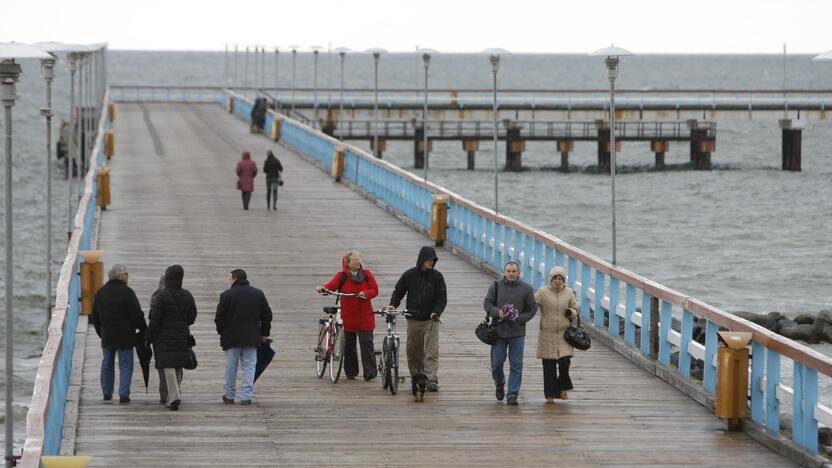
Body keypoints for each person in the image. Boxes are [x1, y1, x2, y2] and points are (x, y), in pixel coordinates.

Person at [387, 246, 447, 393]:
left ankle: (431, 380)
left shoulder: (437, 277)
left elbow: (442, 298)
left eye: (433, 260)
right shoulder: (409, 275)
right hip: (413, 319)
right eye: (429, 260)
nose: (431, 262)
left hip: (431, 320)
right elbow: (399, 291)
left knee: (431, 351)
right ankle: (416, 376)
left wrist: (436, 312)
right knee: (413, 351)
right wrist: (393, 304)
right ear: (421, 260)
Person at [316, 251, 378, 380]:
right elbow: (331, 286)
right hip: (349, 315)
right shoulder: (342, 276)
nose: (358, 262)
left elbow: (375, 290)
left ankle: (370, 372)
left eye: (358, 259)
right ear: (347, 263)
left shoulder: (366, 274)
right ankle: (351, 372)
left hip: (365, 315)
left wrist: (365, 293)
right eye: (354, 260)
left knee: (367, 342)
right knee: (349, 345)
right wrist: (323, 288)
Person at [215, 269, 273, 405]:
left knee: (231, 366)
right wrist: (264, 333)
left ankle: (229, 395)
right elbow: (267, 315)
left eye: (230, 278)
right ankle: (246, 396)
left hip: (231, 338)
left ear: (234, 279)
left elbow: (219, 318)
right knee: (249, 366)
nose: (229, 280)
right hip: (252, 337)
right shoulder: (258, 294)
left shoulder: (226, 295)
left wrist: (222, 332)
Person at [483, 261, 537, 405]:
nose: (511, 273)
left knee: (516, 364)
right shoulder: (495, 286)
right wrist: (497, 312)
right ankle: (499, 384)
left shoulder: (527, 288)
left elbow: (532, 308)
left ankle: (512, 394)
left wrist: (520, 318)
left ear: (519, 273)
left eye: (514, 271)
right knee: (496, 363)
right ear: (504, 272)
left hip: (517, 332)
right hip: (498, 331)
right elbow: (487, 303)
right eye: (509, 271)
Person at [91, 264, 147, 403]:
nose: (128, 275)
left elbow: (95, 316)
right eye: (126, 273)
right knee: (126, 364)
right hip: (126, 336)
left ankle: (107, 393)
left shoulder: (101, 292)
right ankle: (123, 394)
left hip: (107, 335)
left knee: (107, 363)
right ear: (121, 276)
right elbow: (137, 315)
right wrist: (144, 330)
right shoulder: (127, 292)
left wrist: (101, 333)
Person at [147, 265, 198, 411]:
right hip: (182, 334)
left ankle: (174, 396)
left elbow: (154, 320)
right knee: (177, 364)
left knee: (167, 365)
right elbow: (192, 317)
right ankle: (175, 393)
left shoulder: (161, 296)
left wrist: (148, 337)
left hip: (163, 336)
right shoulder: (187, 294)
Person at [534, 266, 579, 403]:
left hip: (564, 334)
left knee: (565, 362)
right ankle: (550, 395)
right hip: (547, 334)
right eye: (555, 278)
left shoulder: (569, 292)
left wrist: (571, 313)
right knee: (549, 366)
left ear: (564, 279)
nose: (558, 281)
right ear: (551, 279)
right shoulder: (543, 292)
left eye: (560, 278)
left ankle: (563, 387)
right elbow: (532, 305)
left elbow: (576, 310)